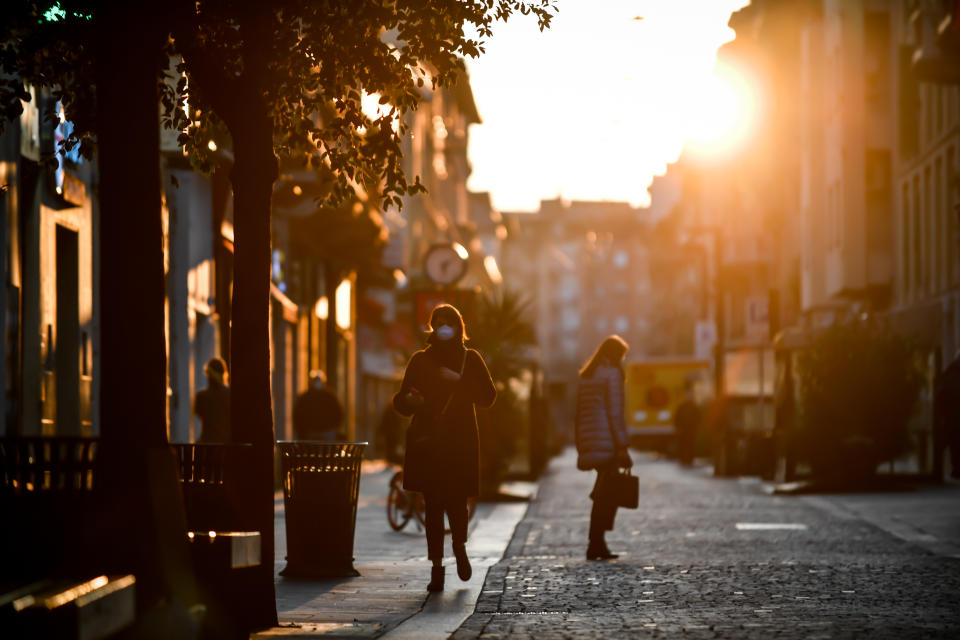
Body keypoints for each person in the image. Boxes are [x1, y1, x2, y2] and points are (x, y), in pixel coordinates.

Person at [393, 304, 496, 592]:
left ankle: (459, 547)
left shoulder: (470, 359)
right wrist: (410, 401)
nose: (443, 327)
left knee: (457, 503)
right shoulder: (419, 361)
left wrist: (460, 381)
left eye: (449, 322)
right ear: (432, 327)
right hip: (428, 442)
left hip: (459, 442)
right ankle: (436, 569)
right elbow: (400, 401)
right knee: (433, 508)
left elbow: (489, 397)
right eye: (438, 322)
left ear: (459, 326)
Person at [574, 335, 632, 560]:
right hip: (607, 441)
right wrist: (622, 446)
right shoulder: (612, 374)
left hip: (591, 441)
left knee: (603, 493)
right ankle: (595, 543)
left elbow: (578, 414)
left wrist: (581, 444)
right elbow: (615, 413)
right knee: (606, 496)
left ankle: (596, 542)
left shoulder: (587, 375)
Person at [293, 370, 344, 441]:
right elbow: (298, 415)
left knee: (326, 451)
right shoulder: (305, 397)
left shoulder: (330, 396)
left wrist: (333, 429)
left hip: (327, 433)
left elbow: (338, 413)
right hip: (311, 433)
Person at [195, 357, 231, 443]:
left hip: (206, 442)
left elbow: (199, 413)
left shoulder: (201, 396)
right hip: (225, 443)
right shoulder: (229, 394)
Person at [674, 384, 701, 466]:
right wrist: (678, 427)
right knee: (684, 444)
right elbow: (677, 418)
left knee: (690, 445)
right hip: (684, 429)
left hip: (690, 429)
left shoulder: (693, 407)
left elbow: (698, 417)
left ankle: (689, 459)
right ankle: (683, 459)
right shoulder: (682, 407)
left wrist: (697, 426)